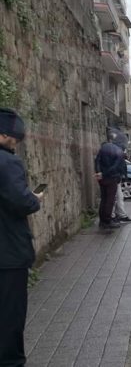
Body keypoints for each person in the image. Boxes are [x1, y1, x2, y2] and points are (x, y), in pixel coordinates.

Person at [0, 108, 42, 366]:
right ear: (4, 135)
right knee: (10, 315)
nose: (15, 144)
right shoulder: (7, 162)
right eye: (14, 139)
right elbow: (20, 202)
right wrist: (34, 199)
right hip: (8, 254)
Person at [95, 131, 125, 229]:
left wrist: (99, 172)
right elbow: (116, 166)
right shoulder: (118, 150)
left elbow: (97, 161)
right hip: (111, 178)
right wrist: (105, 173)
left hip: (102, 178)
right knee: (110, 200)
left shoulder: (103, 148)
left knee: (104, 199)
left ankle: (102, 220)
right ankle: (107, 221)